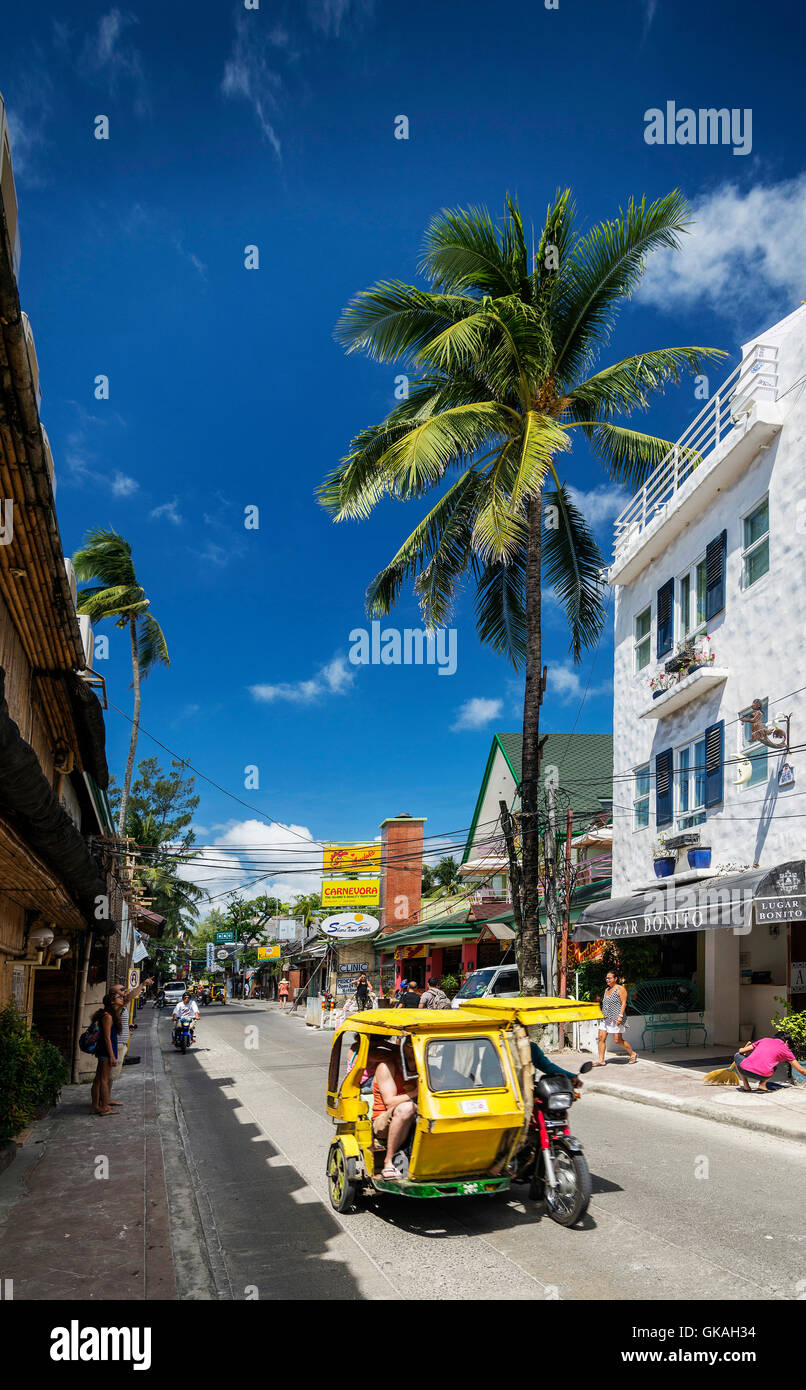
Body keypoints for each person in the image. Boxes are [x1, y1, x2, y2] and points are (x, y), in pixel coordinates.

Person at [372, 1038, 418, 1179]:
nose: (415, 1046)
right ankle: (388, 1162)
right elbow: (390, 1102)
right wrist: (418, 1091)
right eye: (410, 1043)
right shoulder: (386, 1067)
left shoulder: (423, 1066)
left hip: (414, 1116)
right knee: (407, 1107)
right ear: (401, 1045)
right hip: (383, 1119)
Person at [90, 991, 125, 1115]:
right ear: (112, 1001)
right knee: (104, 1079)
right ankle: (104, 1107)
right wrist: (111, 1056)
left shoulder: (108, 1014)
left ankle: (95, 1106)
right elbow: (107, 1037)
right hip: (106, 1050)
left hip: (103, 1050)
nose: (121, 998)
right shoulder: (108, 1016)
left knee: (99, 1079)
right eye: (118, 997)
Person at [594, 971, 638, 1066]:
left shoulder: (620, 989)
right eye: (606, 978)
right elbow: (605, 1003)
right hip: (605, 1018)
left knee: (618, 1040)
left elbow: (624, 1003)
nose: (607, 980)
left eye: (609, 978)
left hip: (616, 1017)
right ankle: (601, 1060)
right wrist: (601, 1014)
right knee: (601, 1038)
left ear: (615, 979)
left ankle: (632, 1054)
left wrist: (620, 1017)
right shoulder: (607, 990)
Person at [734, 1035, 806, 1092]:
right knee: (773, 1066)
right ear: (786, 1042)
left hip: (744, 1070)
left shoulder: (764, 1040)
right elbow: (801, 1069)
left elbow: (741, 1051)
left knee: (737, 1055)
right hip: (763, 1075)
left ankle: (746, 1085)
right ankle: (762, 1084)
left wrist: (742, 1051)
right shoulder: (786, 1050)